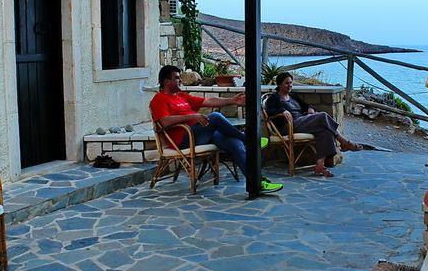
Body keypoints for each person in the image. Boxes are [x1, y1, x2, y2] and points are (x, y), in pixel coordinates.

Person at [150, 65, 283, 193]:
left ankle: (258, 183)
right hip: (183, 140)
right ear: (166, 81)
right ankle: (249, 140)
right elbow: (164, 122)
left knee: (234, 144)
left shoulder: (181, 96)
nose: (180, 80)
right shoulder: (159, 99)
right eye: (177, 78)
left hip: (200, 134)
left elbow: (209, 101)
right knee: (215, 116)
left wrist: (232, 101)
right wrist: (192, 117)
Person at [265, 72, 363, 177]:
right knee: (323, 115)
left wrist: (310, 108)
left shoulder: (293, 96)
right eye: (286, 83)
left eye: (291, 83)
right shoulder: (274, 98)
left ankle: (319, 165)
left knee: (325, 132)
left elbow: (306, 105)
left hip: (302, 122)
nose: (290, 85)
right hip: (288, 126)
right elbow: (270, 111)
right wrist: (282, 110)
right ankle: (343, 141)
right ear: (279, 84)